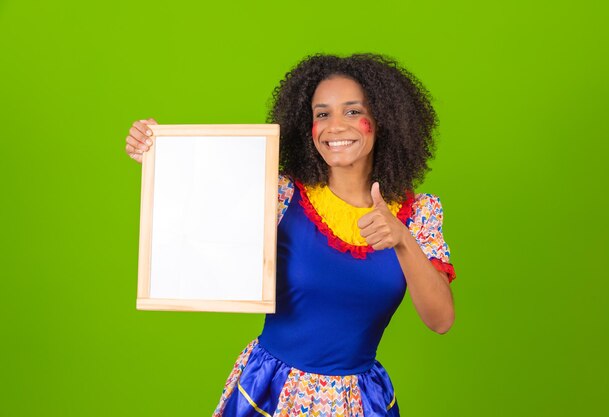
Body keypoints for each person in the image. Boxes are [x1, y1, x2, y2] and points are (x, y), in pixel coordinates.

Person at [125, 53, 456, 416]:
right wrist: (157, 151)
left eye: (352, 111)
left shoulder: (419, 213)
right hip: (270, 390)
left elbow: (440, 320)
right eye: (322, 114)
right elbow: (201, 199)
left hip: (360, 402)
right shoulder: (280, 195)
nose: (334, 126)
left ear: (382, 120)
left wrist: (402, 239)